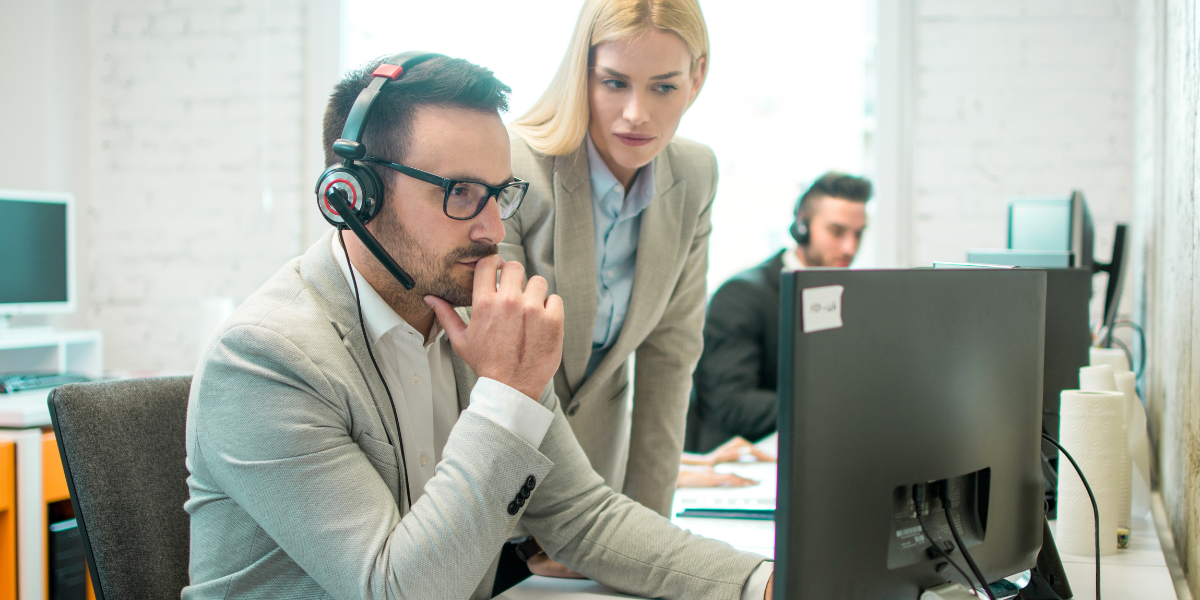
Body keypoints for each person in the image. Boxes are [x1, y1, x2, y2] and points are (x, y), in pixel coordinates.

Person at [183, 54, 773, 600]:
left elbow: (582, 517)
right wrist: (507, 393)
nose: (492, 227)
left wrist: (762, 583)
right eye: (460, 192)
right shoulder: (264, 359)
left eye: (499, 192)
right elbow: (395, 590)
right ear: (354, 196)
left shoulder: (474, 319)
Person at [503, 0, 711, 524]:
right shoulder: (515, 165)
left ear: (697, 77)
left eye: (664, 86)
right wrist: (559, 525)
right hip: (501, 485)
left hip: (601, 481)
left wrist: (647, 534)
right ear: (582, 76)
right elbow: (496, 364)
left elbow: (671, 358)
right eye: (614, 83)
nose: (637, 113)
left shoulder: (695, 174)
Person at [685, 172, 872, 453]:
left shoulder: (851, 297)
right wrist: (832, 412)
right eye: (837, 231)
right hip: (742, 459)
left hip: (815, 451)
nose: (850, 247)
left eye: (858, 234)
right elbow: (731, 403)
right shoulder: (741, 295)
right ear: (802, 226)